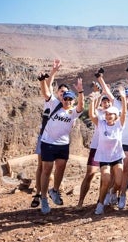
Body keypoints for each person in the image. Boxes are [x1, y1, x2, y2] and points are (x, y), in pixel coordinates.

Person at [38, 77, 84, 214]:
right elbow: (46, 93)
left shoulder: (73, 112)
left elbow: (81, 106)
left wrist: (81, 92)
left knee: (61, 168)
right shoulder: (54, 104)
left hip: (63, 144)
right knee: (46, 169)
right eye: (65, 99)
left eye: (70, 99)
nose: (67, 101)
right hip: (48, 142)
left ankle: (55, 190)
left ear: (72, 101)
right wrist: (42, 80)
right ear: (62, 99)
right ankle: (44, 198)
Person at [31, 59, 64, 208]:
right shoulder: (50, 102)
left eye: (65, 92)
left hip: (60, 141)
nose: (63, 94)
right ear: (57, 93)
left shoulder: (68, 107)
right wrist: (53, 71)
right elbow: (47, 86)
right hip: (44, 138)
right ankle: (38, 194)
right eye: (61, 91)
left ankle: (54, 190)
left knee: (58, 166)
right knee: (41, 166)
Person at [89, 88, 128, 215]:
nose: (108, 116)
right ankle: (100, 204)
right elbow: (92, 115)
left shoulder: (119, 125)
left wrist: (122, 98)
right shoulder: (101, 124)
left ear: (115, 116)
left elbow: (125, 113)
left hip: (116, 156)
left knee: (118, 182)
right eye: (106, 114)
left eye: (111, 114)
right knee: (105, 180)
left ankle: (112, 193)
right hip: (104, 157)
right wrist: (92, 101)